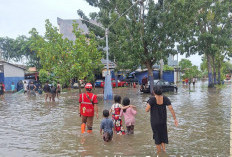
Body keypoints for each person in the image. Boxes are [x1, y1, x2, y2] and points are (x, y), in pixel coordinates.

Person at [145, 86, 178, 154]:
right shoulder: (165, 98)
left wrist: (149, 105)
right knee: (163, 135)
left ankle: (159, 153)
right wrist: (175, 119)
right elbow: (171, 109)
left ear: (154, 92)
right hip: (163, 121)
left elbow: (147, 110)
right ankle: (164, 151)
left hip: (154, 122)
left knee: (157, 137)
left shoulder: (152, 99)